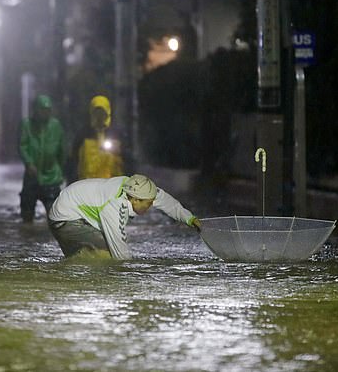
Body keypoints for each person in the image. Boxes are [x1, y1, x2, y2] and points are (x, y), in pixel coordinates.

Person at [47, 174, 201, 259]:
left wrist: (189, 219)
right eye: (148, 204)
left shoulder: (138, 187)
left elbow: (166, 201)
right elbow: (120, 252)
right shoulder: (114, 207)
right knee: (105, 255)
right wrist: (131, 275)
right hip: (64, 220)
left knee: (87, 257)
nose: (151, 206)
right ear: (134, 200)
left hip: (78, 213)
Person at [18, 94, 66, 224]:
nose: (45, 113)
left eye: (47, 110)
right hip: (32, 176)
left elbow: (62, 150)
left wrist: (60, 170)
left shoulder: (55, 126)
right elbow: (22, 146)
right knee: (27, 213)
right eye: (42, 110)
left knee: (56, 216)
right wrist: (29, 163)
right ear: (36, 110)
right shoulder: (27, 125)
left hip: (52, 176)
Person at [69, 95, 129, 182]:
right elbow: (74, 160)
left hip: (112, 186)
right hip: (88, 186)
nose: (99, 116)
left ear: (107, 112)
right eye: (96, 112)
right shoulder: (83, 135)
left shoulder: (117, 135)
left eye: (102, 112)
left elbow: (128, 160)